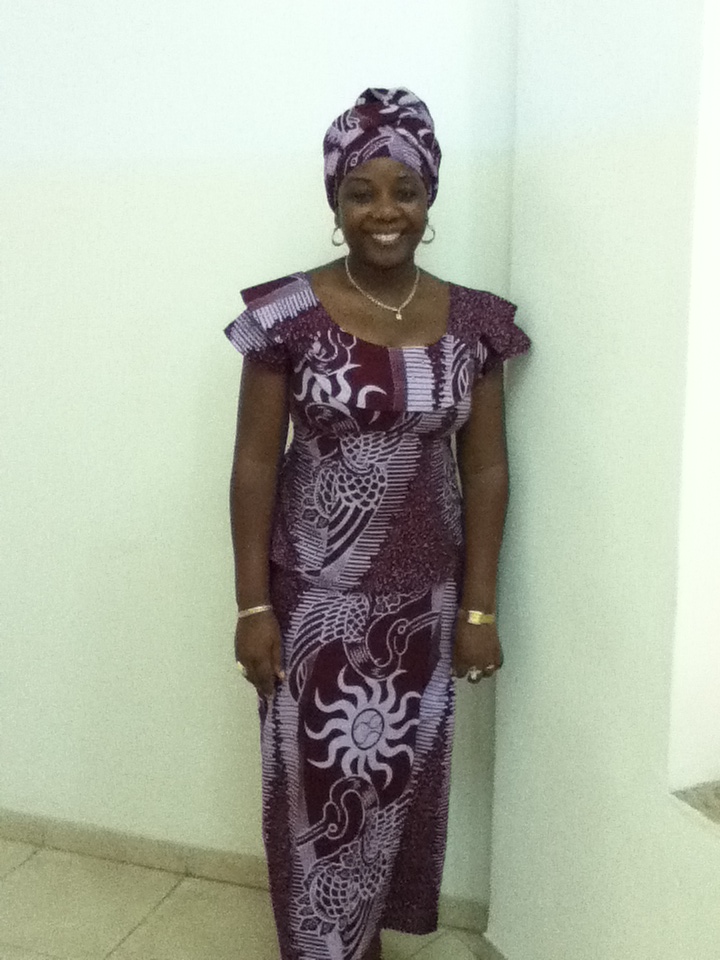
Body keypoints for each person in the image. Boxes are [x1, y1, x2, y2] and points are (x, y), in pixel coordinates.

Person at [225, 88, 530, 960]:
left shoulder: (474, 324)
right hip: (313, 607)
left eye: (406, 190)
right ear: (336, 201)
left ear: (430, 197)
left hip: (423, 610)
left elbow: (486, 470)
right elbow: (254, 466)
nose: (385, 211)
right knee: (316, 798)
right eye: (361, 192)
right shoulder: (287, 318)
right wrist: (253, 606)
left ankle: (362, 945)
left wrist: (478, 609)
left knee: (396, 790)